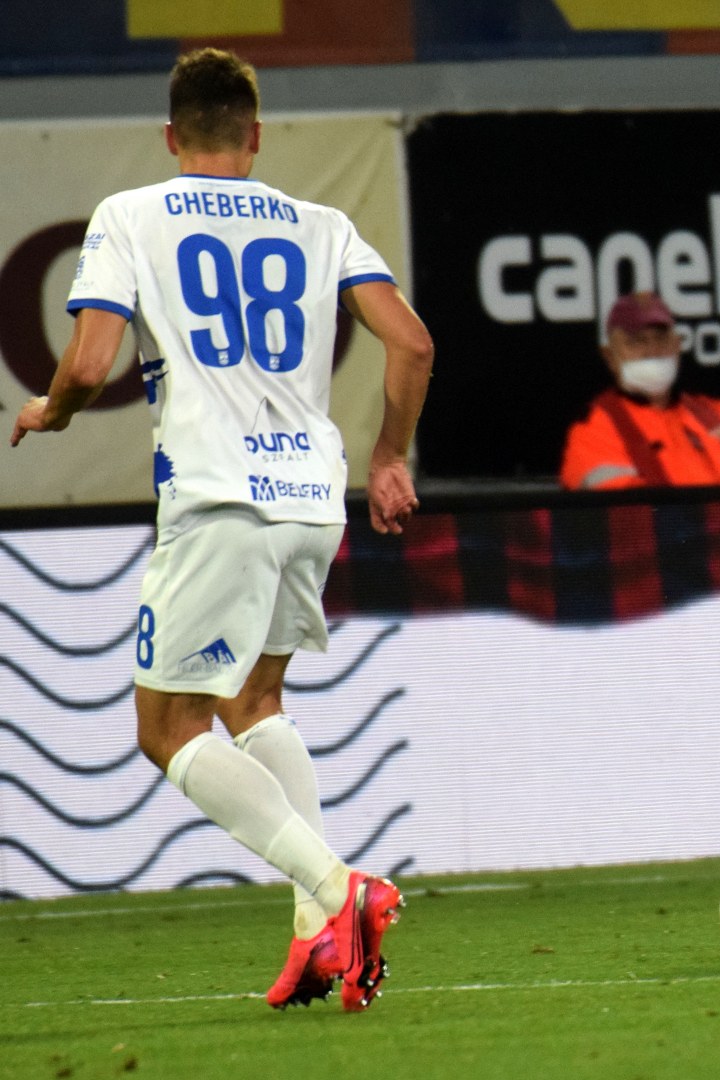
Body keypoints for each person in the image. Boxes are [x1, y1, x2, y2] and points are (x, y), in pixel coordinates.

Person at [9, 48, 432, 1011]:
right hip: (311, 500)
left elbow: (90, 362)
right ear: (256, 135)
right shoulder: (321, 224)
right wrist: (389, 457)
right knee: (253, 698)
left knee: (168, 728)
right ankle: (318, 934)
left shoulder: (131, 215)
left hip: (218, 501)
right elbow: (412, 341)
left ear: (171, 136)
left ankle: (337, 889)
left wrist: (52, 411)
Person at [560, 291, 720, 489]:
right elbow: (627, 514)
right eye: (636, 342)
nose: (652, 351)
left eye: (660, 339)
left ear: (677, 345)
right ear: (610, 356)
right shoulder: (594, 428)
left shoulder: (715, 413)